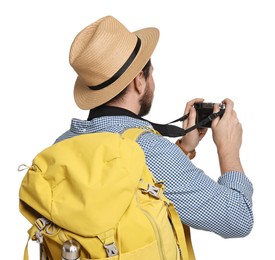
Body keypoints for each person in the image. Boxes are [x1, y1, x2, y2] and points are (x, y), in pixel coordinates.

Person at [56, 15, 253, 240]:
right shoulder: (149, 149)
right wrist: (228, 149)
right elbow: (238, 218)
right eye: (151, 73)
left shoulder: (63, 143)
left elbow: (128, 192)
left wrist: (182, 151)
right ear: (139, 80)